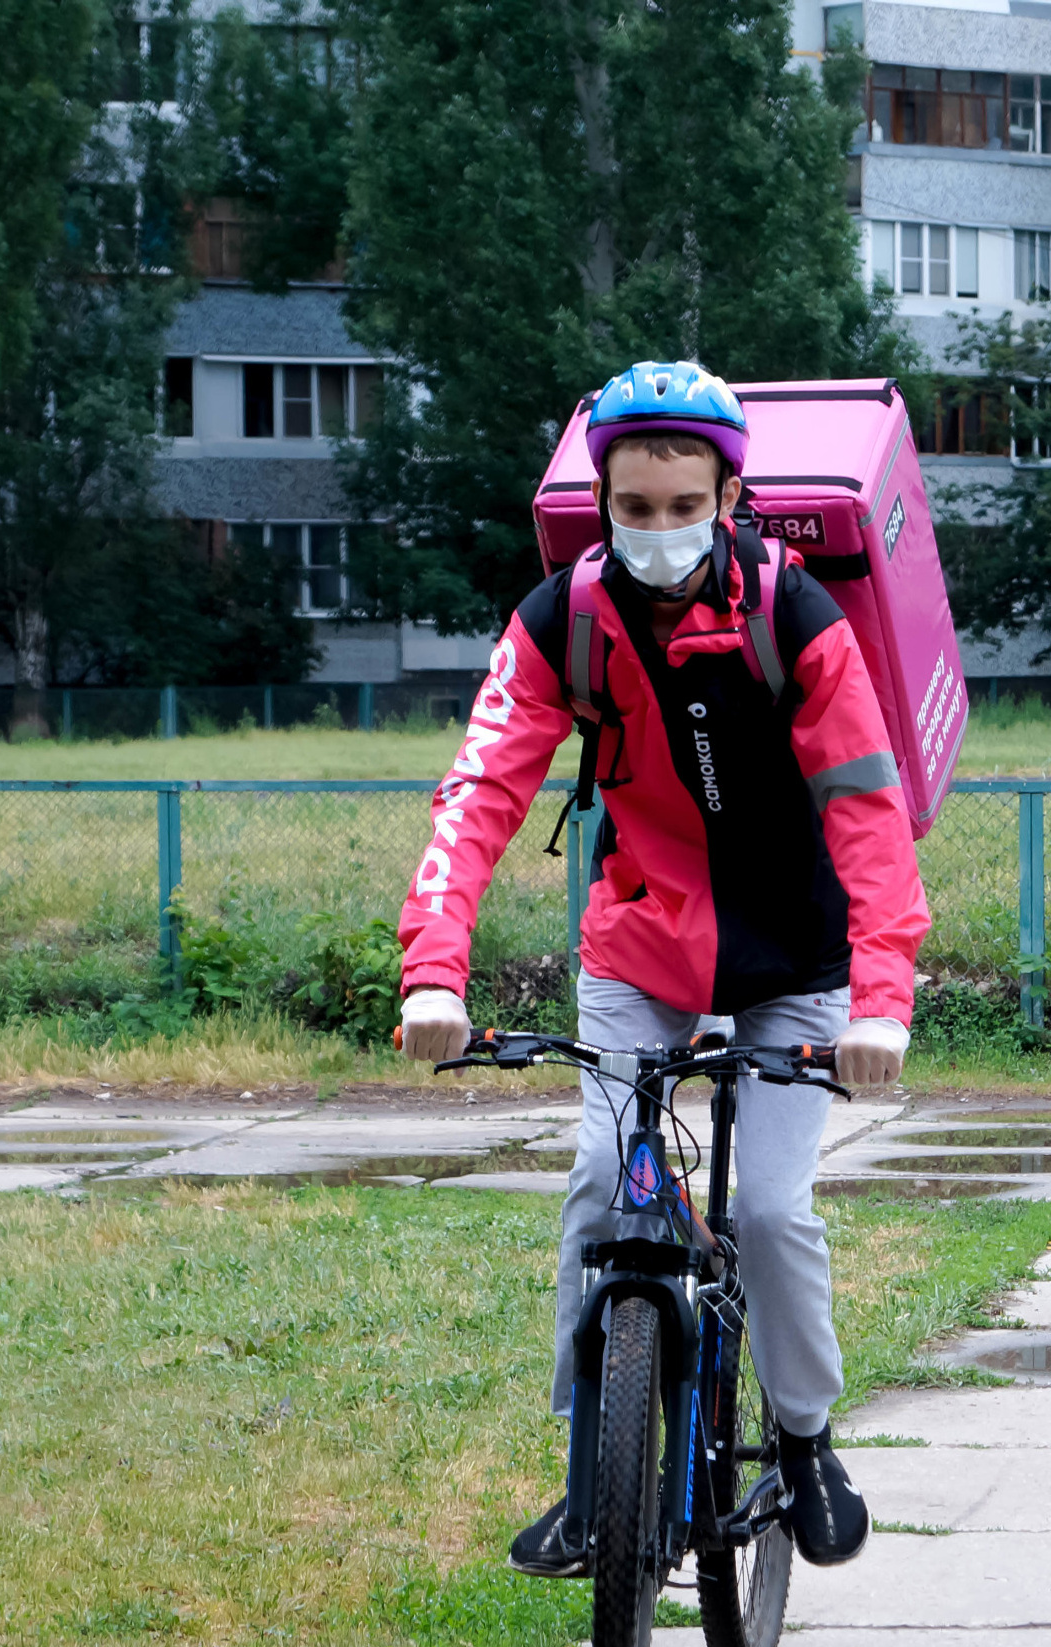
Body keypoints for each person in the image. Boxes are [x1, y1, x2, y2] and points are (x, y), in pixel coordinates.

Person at [391, 360, 930, 1576]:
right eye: (635, 508)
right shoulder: (560, 622)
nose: (659, 529)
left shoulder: (798, 617)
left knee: (768, 1209)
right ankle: (595, 1472)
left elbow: (867, 811)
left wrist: (881, 1001)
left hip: (800, 952)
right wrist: (436, 973)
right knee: (599, 1187)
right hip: (645, 945)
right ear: (605, 500)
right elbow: (479, 792)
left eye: (685, 506)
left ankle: (803, 1442)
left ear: (730, 496)